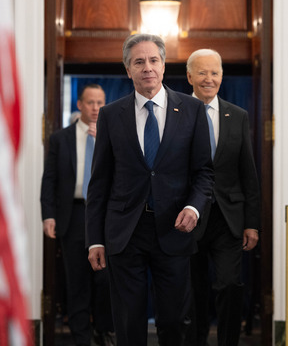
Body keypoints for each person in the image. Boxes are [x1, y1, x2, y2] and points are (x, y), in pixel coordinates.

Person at [85, 33, 214, 346]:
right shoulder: (111, 115)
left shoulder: (192, 111)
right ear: (128, 70)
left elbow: (204, 173)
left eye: (153, 60)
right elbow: (99, 182)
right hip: (125, 231)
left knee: (174, 320)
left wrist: (194, 207)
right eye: (138, 62)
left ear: (164, 64)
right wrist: (95, 240)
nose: (147, 68)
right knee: (128, 322)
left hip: (174, 228)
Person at [183, 49, 260, 346]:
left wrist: (252, 223)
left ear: (222, 76)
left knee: (229, 284)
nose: (209, 79)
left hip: (228, 218)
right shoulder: (176, 113)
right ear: (190, 76)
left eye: (214, 72)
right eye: (202, 72)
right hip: (187, 218)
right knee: (193, 289)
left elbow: (248, 172)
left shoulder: (237, 115)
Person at [40, 84, 115, 346]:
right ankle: (81, 338)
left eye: (100, 103)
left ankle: (103, 329)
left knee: (105, 278)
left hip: (105, 216)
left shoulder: (114, 135)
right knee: (77, 281)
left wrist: (104, 139)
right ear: (80, 105)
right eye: (91, 103)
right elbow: (49, 179)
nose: (96, 108)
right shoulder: (61, 138)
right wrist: (48, 215)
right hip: (72, 215)